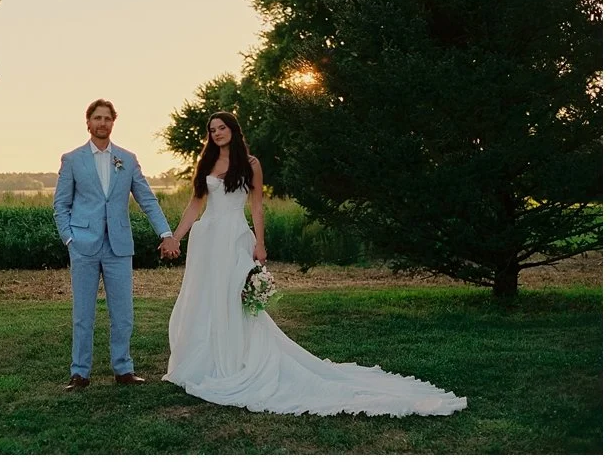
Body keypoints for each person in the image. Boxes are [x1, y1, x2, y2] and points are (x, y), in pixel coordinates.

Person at [162, 111, 467, 417]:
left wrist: (260, 243)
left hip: (234, 237)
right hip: (207, 240)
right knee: (205, 298)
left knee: (233, 298)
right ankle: (207, 360)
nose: (216, 133)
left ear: (233, 130)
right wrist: (176, 237)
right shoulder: (205, 164)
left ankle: (236, 360)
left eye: (222, 128)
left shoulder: (251, 164)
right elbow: (194, 205)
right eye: (212, 130)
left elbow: (256, 205)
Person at [54, 99, 180, 391]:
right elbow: (61, 205)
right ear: (88, 122)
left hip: (119, 246)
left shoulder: (127, 158)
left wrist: (165, 233)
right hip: (83, 245)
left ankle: (123, 368)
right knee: (83, 313)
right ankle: (80, 373)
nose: (102, 123)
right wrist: (69, 238)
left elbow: (147, 199)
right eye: (97, 118)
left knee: (123, 313)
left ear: (113, 122)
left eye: (107, 118)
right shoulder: (72, 159)